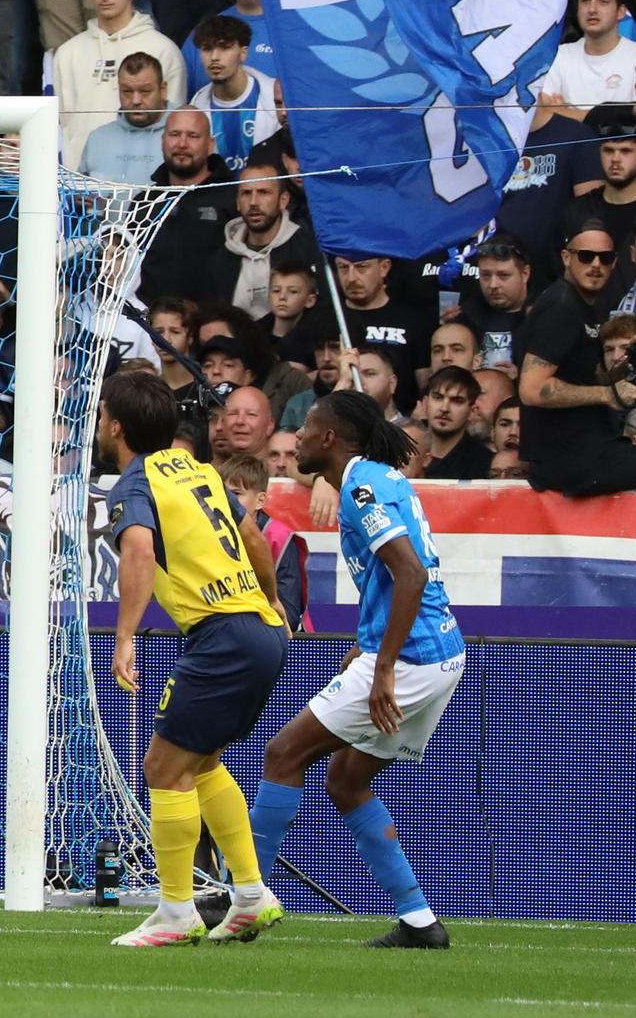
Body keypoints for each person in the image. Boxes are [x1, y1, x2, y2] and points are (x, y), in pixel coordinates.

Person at [253, 389, 465, 949]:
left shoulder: (364, 487)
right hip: (441, 653)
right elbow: (394, 579)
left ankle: (244, 899)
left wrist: (384, 667)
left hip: (413, 658)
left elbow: (410, 575)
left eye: (304, 428)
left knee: (283, 754)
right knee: (346, 782)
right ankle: (420, 922)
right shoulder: (371, 477)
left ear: (329, 438)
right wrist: (367, 645)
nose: (295, 437)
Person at [99, 367, 291, 948]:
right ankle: (252, 896)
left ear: (113, 426)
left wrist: (126, 635)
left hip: (222, 636)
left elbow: (137, 548)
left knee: (162, 768)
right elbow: (254, 536)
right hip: (260, 629)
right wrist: (274, 601)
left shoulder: (135, 486)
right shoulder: (201, 471)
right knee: (199, 764)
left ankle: (176, 912)